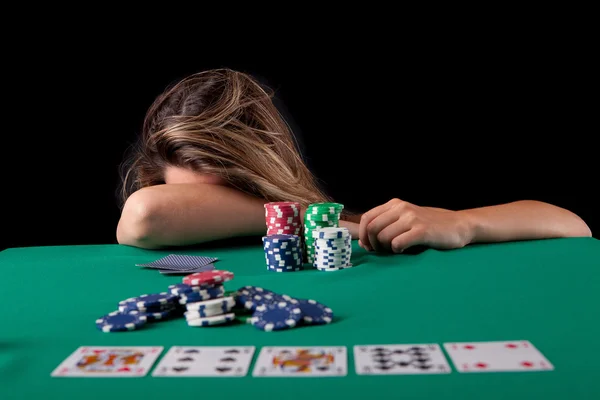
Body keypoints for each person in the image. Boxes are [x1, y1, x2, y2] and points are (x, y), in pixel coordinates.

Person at [116, 68, 591, 252]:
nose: (209, 213)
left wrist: (463, 224)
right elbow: (146, 214)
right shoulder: (328, 226)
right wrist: (307, 219)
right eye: (191, 200)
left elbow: (572, 226)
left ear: (267, 173)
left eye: (232, 193)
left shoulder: (357, 226)